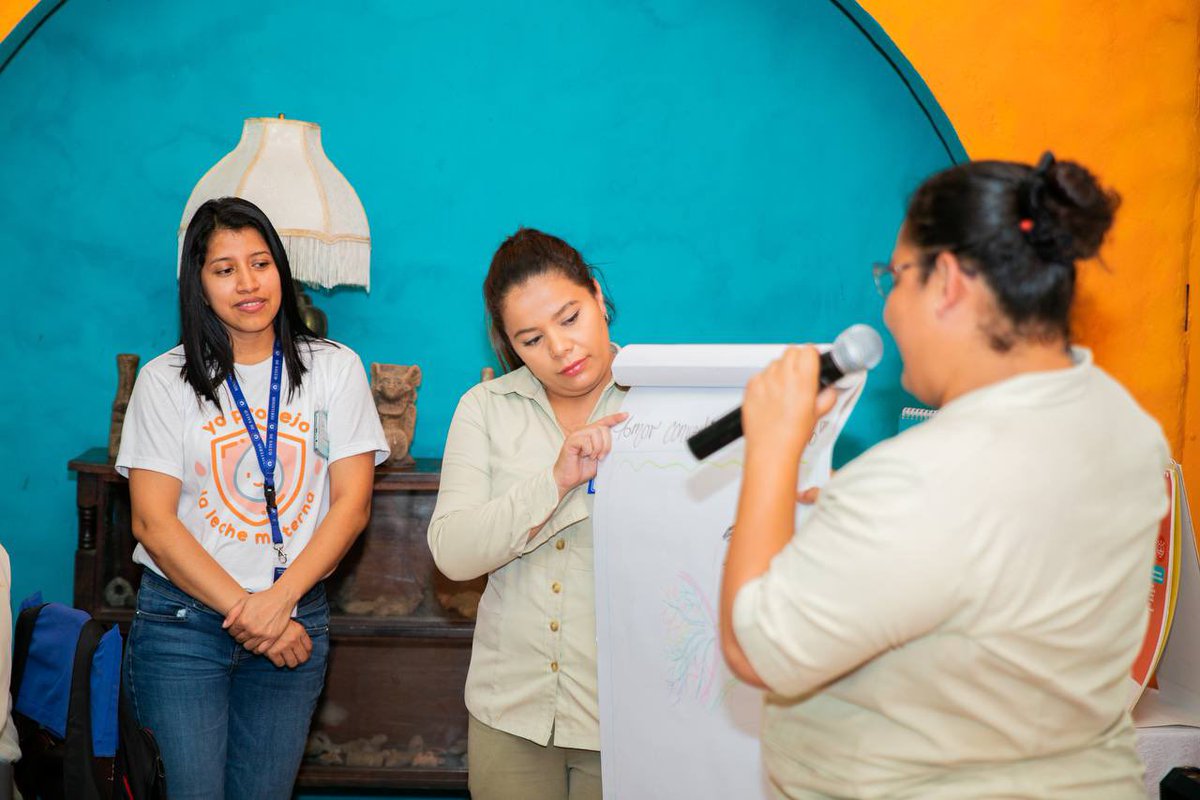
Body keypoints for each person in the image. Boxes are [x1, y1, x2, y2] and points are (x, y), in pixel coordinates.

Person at [720, 154, 1169, 799]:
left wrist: (771, 446)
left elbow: (750, 648)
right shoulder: (1129, 427)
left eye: (896, 278)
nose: (891, 310)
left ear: (948, 282)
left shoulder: (921, 482)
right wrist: (854, 523)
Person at [116, 196, 389, 799]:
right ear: (199, 283)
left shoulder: (335, 370)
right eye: (224, 269)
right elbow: (152, 523)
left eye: (260, 263)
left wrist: (280, 603)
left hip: (295, 620)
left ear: (281, 271)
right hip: (184, 627)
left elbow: (351, 505)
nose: (247, 283)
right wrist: (253, 612)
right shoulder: (166, 381)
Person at [428, 228, 627, 800]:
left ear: (595, 294)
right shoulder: (485, 408)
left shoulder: (662, 401)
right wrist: (557, 483)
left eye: (570, 318)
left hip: (626, 713)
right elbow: (455, 552)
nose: (561, 348)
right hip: (508, 710)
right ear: (509, 344)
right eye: (532, 339)